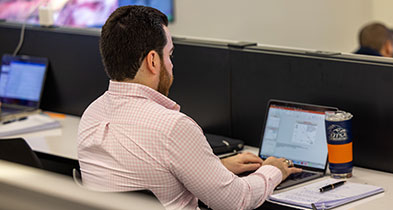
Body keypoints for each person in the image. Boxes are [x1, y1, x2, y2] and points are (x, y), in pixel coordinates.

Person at [77, 5, 302, 210]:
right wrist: (274, 170)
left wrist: (215, 168)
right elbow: (237, 200)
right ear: (153, 61)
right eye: (170, 54)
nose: (172, 64)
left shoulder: (91, 115)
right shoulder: (172, 127)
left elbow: (143, 174)